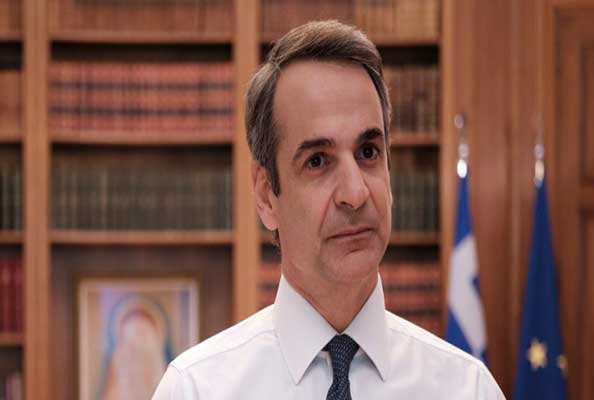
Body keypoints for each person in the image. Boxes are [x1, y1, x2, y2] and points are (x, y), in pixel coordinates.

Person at [152, 20, 506, 399]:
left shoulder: (468, 388)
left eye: (368, 152)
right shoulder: (196, 389)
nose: (355, 193)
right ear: (267, 195)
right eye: (318, 161)